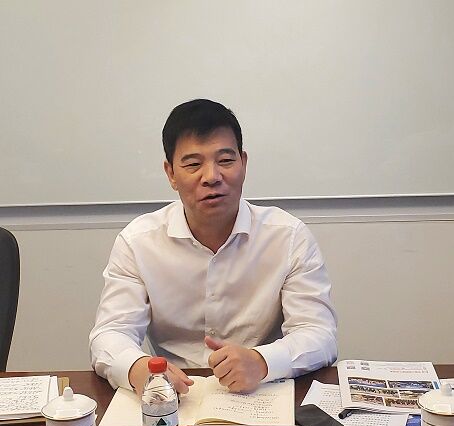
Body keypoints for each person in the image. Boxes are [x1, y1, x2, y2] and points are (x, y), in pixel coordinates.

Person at [89, 99, 337, 395]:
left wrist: (263, 361)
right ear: (171, 174)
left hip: (262, 391)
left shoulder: (289, 237)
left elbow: (319, 333)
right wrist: (138, 368)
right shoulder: (138, 242)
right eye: (193, 164)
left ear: (244, 163)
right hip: (173, 395)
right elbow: (110, 333)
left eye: (226, 161)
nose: (212, 177)